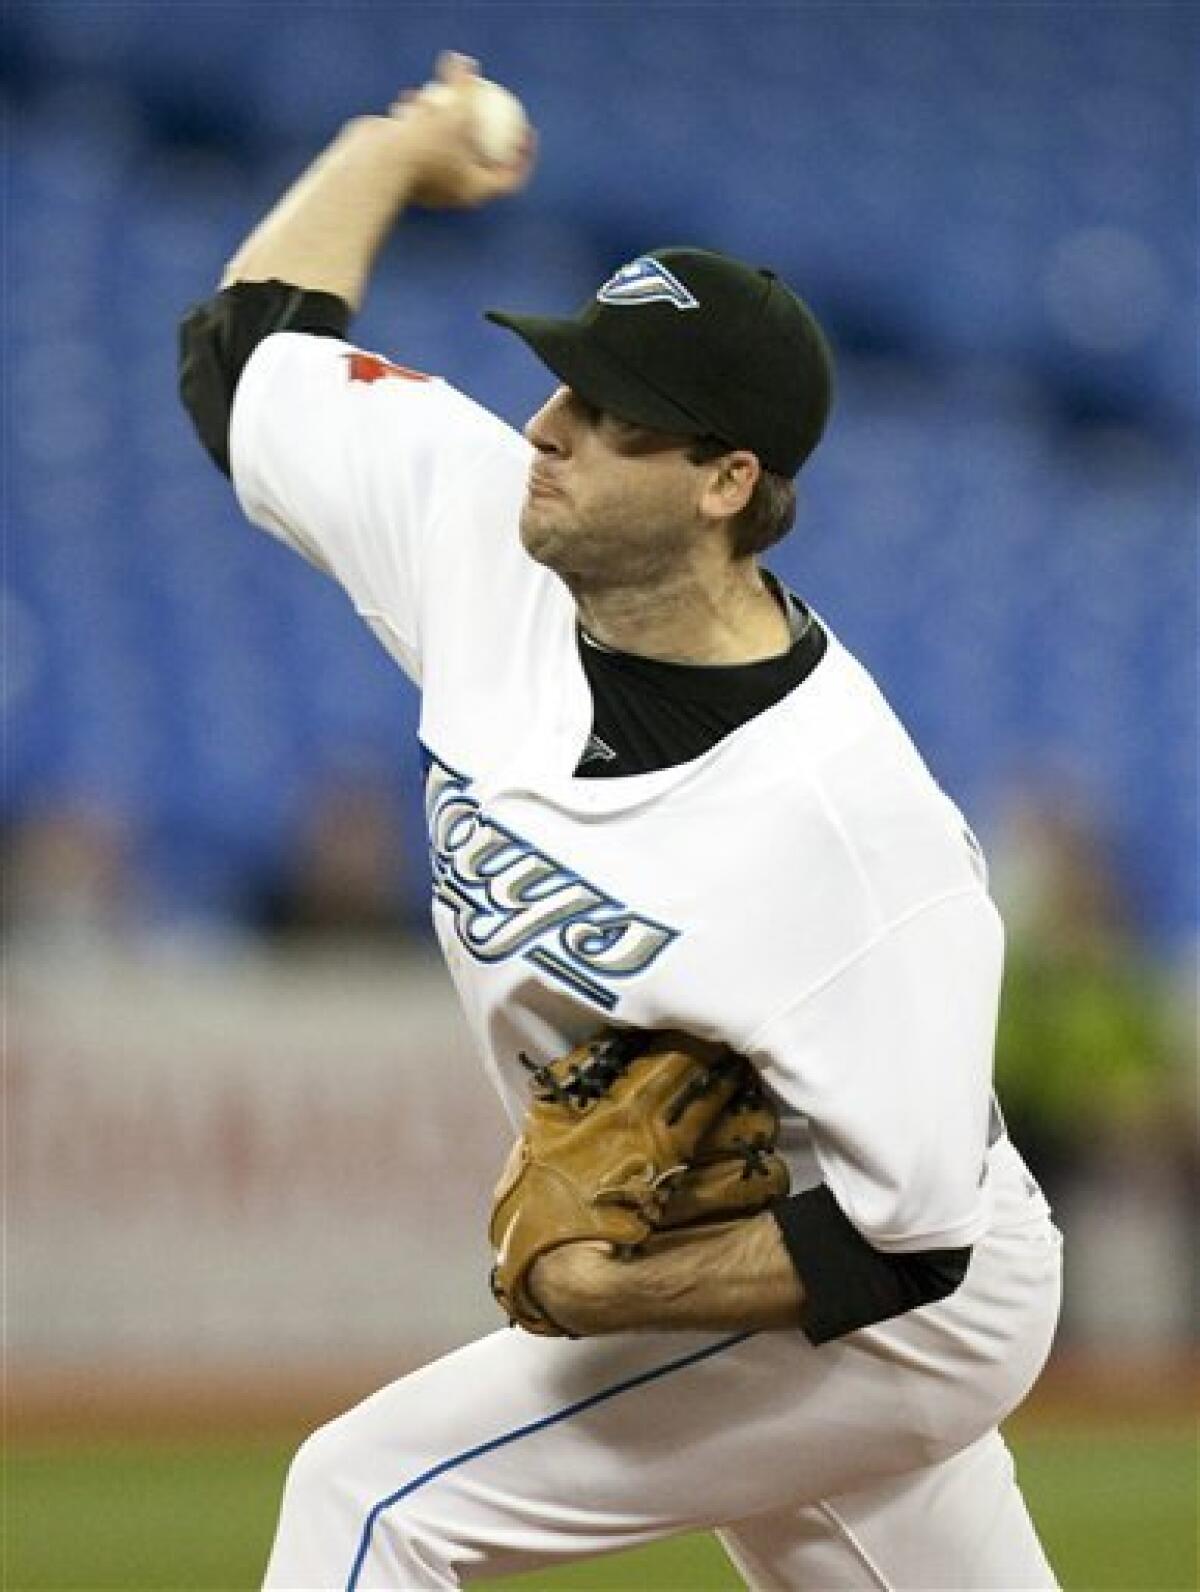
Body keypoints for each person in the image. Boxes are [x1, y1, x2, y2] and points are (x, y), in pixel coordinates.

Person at [179, 51, 1062, 1592]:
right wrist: (393, 153)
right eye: (565, 382)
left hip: (911, 1306)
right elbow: (243, 357)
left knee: (372, 1501)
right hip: (790, 1276)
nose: (548, 427)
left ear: (728, 479)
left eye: (612, 414)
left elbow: (911, 1240)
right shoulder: (487, 531)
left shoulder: (849, 828)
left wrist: (607, 1295)